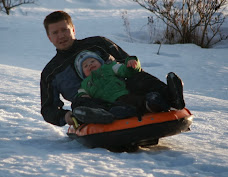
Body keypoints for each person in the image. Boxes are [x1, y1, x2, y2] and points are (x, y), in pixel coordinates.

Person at [40, 10, 185, 127]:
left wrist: (133, 64)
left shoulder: (97, 43)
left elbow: (126, 63)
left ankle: (170, 97)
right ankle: (103, 115)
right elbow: (48, 109)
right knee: (80, 104)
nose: (61, 36)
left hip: (123, 91)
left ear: (73, 29)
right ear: (49, 37)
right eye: (55, 33)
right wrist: (65, 117)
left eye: (64, 30)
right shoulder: (51, 72)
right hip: (94, 103)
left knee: (137, 76)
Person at [72, 50, 171, 122]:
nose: (89, 65)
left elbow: (123, 70)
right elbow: (82, 95)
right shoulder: (85, 84)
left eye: (92, 61)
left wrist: (131, 63)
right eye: (85, 66)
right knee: (118, 109)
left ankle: (154, 101)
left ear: (100, 62)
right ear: (83, 74)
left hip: (125, 94)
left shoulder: (109, 68)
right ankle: (120, 113)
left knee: (139, 100)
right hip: (110, 104)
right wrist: (84, 98)